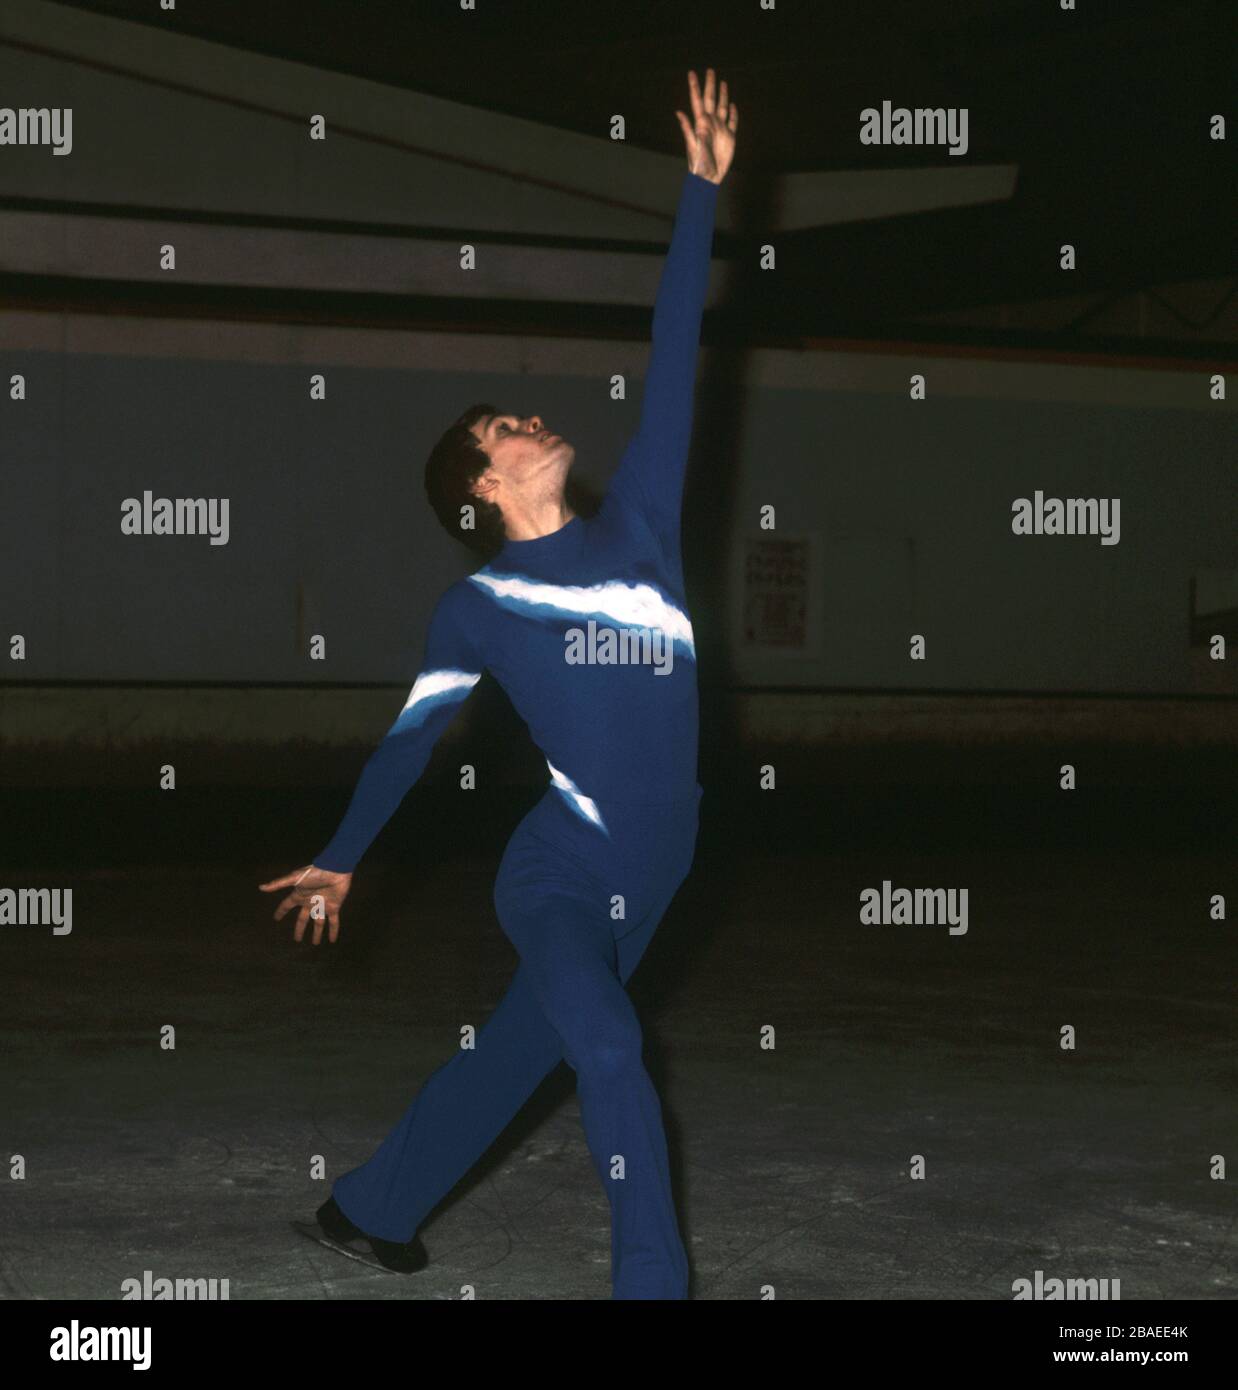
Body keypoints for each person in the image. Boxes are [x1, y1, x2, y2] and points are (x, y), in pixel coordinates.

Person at [261, 69, 737, 1300]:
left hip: (662, 860)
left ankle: (370, 1205)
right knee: (609, 1043)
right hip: (564, 868)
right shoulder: (475, 609)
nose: (530, 420)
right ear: (480, 486)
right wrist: (342, 852)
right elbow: (409, 742)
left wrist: (699, 196)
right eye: (503, 428)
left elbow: (676, 354)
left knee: (523, 1048)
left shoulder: (637, 525)